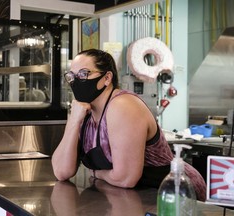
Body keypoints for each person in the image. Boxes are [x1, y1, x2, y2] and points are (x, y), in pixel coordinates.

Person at [51, 49, 206, 201]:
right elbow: (61, 171)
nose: (76, 81)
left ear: (107, 78)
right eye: (71, 76)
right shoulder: (84, 112)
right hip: (133, 197)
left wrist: (97, 173)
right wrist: (74, 121)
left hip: (174, 194)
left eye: (84, 74)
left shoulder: (122, 106)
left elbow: (126, 178)